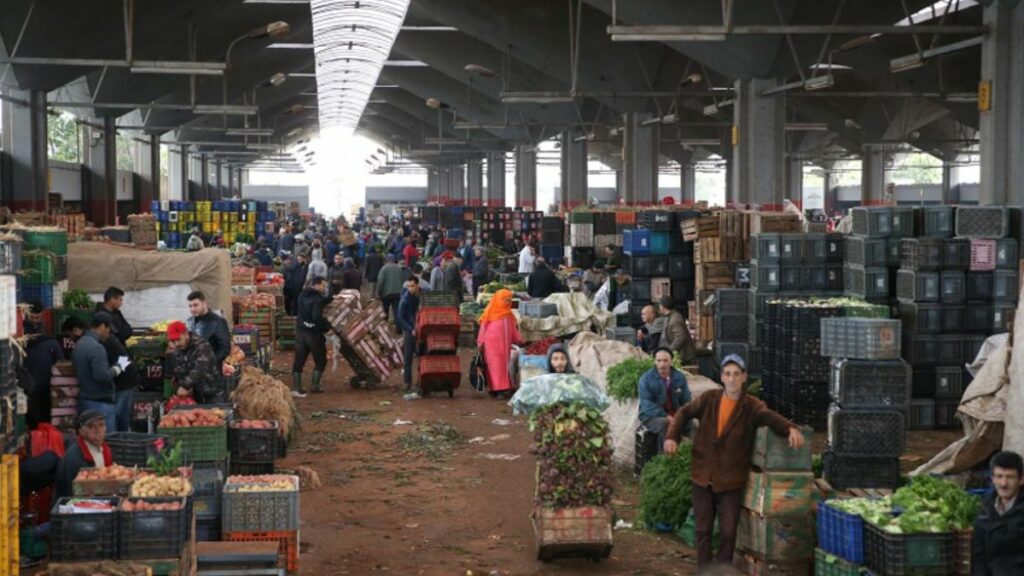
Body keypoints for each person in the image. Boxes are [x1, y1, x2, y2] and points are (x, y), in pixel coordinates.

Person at [664, 354, 804, 568]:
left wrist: (789, 428)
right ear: (721, 377)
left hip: (730, 479)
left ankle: (722, 570)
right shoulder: (709, 399)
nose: (731, 379)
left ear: (744, 377)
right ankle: (703, 571)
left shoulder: (752, 406)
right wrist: (671, 436)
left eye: (736, 374)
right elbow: (684, 412)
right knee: (703, 529)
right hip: (703, 474)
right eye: (727, 374)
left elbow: (769, 417)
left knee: (729, 531)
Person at [973, 450, 1024, 575]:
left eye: (1010, 477)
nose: (1004, 483)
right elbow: (978, 557)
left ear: (1021, 479)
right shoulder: (983, 509)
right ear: (992, 479)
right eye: (999, 476)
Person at [72, 312, 123, 432]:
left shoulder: (80, 344)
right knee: (106, 441)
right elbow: (101, 376)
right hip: (100, 404)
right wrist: (116, 370)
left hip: (85, 400)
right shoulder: (97, 348)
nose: (109, 333)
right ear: (101, 327)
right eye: (108, 329)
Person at [639, 347, 691, 450]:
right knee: (665, 424)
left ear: (671, 361)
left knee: (692, 424)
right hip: (651, 416)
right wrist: (667, 417)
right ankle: (664, 459)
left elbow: (686, 400)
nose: (662, 364)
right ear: (655, 361)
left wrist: (683, 415)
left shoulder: (679, 377)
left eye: (665, 360)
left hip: (675, 413)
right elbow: (646, 405)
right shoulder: (646, 379)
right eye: (659, 360)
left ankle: (691, 455)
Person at [476, 289, 523, 398]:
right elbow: (483, 327)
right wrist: (480, 342)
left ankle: (501, 387)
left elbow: (513, 330)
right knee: (495, 365)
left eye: (509, 300)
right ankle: (498, 389)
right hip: (492, 344)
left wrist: (518, 340)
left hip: (505, 344)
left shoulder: (509, 314)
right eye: (505, 300)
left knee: (504, 364)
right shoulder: (490, 312)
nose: (507, 303)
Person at [23, 304, 64, 428]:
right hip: (28, 387)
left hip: (44, 388)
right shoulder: (22, 337)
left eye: (38, 318)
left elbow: (60, 363)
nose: (35, 321)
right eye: (33, 317)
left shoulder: (49, 341)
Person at [55, 410, 113, 497]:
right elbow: (73, 492)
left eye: (101, 425)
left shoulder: (106, 450)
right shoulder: (75, 458)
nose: (98, 430)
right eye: (91, 427)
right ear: (81, 432)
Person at [166, 320, 223, 404]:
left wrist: (185, 385)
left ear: (185, 333)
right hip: (195, 396)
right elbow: (179, 370)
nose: (177, 343)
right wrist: (178, 384)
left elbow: (201, 368)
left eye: (178, 339)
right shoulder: (178, 350)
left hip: (212, 395)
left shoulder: (202, 345)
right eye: (174, 341)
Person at [293, 276, 332, 397]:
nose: (324, 288)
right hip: (313, 335)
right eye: (323, 286)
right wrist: (326, 326)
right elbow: (316, 317)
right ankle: (315, 385)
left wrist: (329, 299)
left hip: (300, 333)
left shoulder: (302, 295)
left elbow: (315, 301)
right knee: (321, 360)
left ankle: (297, 387)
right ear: (316, 285)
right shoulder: (317, 300)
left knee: (299, 361)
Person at [186, 291, 231, 367]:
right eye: (190, 306)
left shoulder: (218, 321)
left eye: (196, 305)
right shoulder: (189, 321)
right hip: (193, 370)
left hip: (211, 372)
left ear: (204, 303)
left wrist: (210, 363)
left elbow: (225, 348)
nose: (192, 309)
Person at [396, 276, 421, 396]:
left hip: (420, 329)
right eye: (409, 286)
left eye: (412, 286)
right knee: (408, 357)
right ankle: (407, 382)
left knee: (423, 355)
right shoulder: (404, 300)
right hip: (410, 330)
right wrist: (410, 329)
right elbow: (400, 317)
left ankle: (421, 381)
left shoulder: (421, 297)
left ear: (417, 285)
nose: (410, 288)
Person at [659, 296, 697, 364]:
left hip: (684, 356)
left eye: (660, 305)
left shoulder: (675, 319)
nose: (659, 307)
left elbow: (680, 337)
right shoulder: (670, 317)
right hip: (679, 356)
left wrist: (669, 351)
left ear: (663, 306)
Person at [377, 254, 405, 322]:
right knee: (397, 312)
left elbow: (380, 282)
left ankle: (385, 327)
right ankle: (399, 329)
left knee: (385, 311)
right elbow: (403, 280)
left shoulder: (384, 268)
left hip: (386, 294)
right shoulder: (399, 268)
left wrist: (379, 293)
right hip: (398, 293)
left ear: (386, 260)